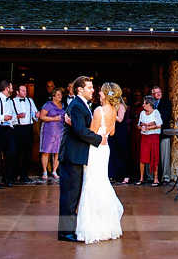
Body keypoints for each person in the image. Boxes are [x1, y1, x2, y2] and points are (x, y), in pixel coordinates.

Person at [74, 82, 125, 244]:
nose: (99, 94)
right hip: (105, 149)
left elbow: (92, 133)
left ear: (106, 94)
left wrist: (74, 124)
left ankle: (93, 227)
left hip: (95, 149)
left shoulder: (99, 111)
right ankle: (107, 224)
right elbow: (112, 131)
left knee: (91, 184)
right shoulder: (114, 111)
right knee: (101, 182)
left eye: (101, 92)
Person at [57, 76, 106, 242]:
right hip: (72, 156)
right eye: (90, 87)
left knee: (73, 195)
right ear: (80, 89)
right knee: (69, 196)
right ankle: (65, 232)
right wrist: (99, 139)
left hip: (77, 155)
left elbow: (79, 127)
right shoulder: (77, 105)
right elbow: (80, 131)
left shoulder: (82, 105)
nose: (93, 90)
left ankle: (69, 228)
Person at [11, 84, 39, 183]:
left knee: (28, 153)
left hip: (28, 128)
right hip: (17, 128)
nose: (25, 92)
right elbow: (9, 117)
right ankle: (14, 174)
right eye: (23, 90)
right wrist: (17, 117)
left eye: (25, 90)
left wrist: (36, 115)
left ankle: (24, 175)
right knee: (17, 153)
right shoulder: (12, 102)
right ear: (17, 92)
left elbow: (34, 114)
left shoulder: (30, 101)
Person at [40, 87, 65, 180]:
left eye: (61, 95)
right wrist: (53, 119)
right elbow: (42, 117)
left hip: (60, 130)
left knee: (57, 151)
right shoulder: (48, 105)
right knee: (46, 151)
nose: (60, 96)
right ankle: (45, 171)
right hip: (49, 130)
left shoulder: (62, 105)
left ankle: (54, 170)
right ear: (53, 96)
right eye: (58, 95)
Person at [136, 95, 162, 186]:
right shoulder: (142, 113)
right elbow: (138, 125)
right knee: (143, 157)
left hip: (153, 136)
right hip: (145, 137)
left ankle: (155, 178)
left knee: (154, 156)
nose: (143, 105)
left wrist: (149, 127)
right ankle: (141, 178)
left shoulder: (156, 112)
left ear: (149, 104)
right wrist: (142, 128)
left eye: (144, 103)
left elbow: (159, 125)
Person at [108, 93, 132, 184]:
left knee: (122, 151)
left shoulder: (121, 106)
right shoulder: (111, 106)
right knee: (113, 151)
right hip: (113, 130)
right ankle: (114, 174)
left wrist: (110, 114)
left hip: (121, 131)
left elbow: (120, 119)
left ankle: (126, 175)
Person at [152, 86, 173, 184]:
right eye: (156, 93)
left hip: (164, 131)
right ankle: (153, 176)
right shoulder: (151, 103)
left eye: (159, 92)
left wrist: (155, 123)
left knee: (165, 155)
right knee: (153, 155)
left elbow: (165, 115)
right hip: (152, 132)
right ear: (153, 94)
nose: (158, 94)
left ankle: (166, 177)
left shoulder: (166, 102)